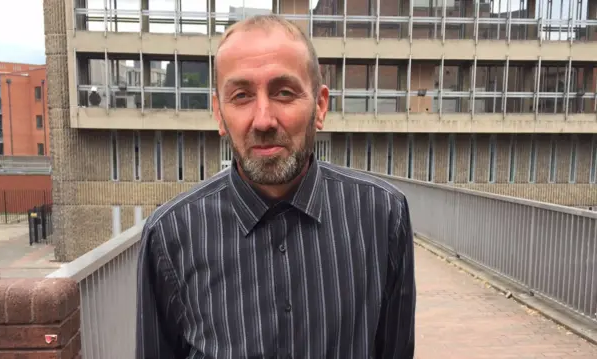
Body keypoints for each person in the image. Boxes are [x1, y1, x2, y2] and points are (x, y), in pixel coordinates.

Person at [136, 14, 416, 359]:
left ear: (320, 106)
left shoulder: (384, 216)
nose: (264, 119)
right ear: (218, 113)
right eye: (241, 96)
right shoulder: (169, 236)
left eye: (284, 92)